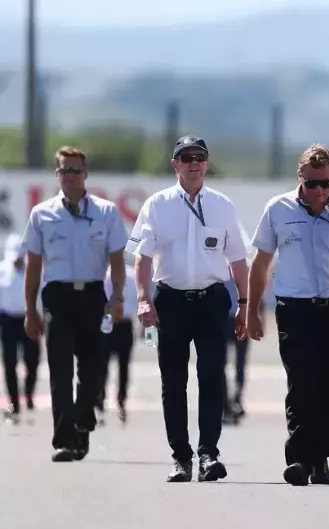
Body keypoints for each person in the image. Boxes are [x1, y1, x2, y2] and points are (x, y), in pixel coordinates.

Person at [245, 144, 329, 486]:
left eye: (326, 183)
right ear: (300, 178)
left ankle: (320, 459)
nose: (320, 191)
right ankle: (300, 459)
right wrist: (252, 310)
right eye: (313, 183)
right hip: (294, 308)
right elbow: (260, 264)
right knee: (300, 383)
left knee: (328, 386)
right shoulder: (278, 208)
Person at [128, 136, 249, 483]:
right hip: (172, 301)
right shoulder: (157, 204)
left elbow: (238, 259)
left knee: (212, 377)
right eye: (186, 157)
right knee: (174, 382)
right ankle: (181, 457)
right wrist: (142, 297)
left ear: (207, 163)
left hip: (211, 300)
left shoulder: (223, 205)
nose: (194, 163)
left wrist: (244, 304)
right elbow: (142, 257)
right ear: (175, 164)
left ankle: (208, 454)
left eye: (200, 157)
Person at [22, 146, 128, 462]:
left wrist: (118, 297)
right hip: (57, 296)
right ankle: (65, 439)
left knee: (93, 366)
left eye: (76, 170)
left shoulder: (106, 212)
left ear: (85, 174)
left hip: (93, 294)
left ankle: (84, 417)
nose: (70, 175)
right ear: (57, 174)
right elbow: (33, 266)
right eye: (64, 170)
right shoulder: (42, 214)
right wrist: (30, 310)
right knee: (60, 367)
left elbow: (117, 262)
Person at [0, 235, 40, 424]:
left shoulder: (33, 269)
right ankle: (14, 401)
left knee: (32, 360)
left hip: (29, 318)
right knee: (10, 363)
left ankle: (29, 393)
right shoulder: (2, 270)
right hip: (7, 320)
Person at [97, 260, 138, 424]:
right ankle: (101, 400)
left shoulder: (130, 276)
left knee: (122, 365)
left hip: (123, 323)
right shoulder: (103, 274)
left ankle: (120, 400)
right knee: (104, 365)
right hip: (108, 323)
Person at [222, 278, 249, 425]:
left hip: (229, 317)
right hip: (229, 318)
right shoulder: (245, 263)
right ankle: (232, 400)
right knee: (238, 362)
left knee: (233, 363)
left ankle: (232, 400)